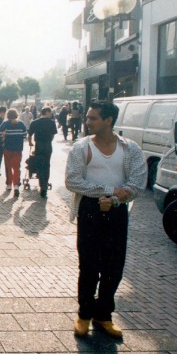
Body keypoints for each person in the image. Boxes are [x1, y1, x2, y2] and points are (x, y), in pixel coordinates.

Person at [65, 101, 146, 339]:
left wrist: (119, 196)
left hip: (117, 210)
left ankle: (103, 315)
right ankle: (84, 314)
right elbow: (73, 180)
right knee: (89, 265)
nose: (87, 121)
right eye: (88, 118)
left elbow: (138, 181)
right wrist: (109, 190)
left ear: (108, 120)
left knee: (114, 267)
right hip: (90, 208)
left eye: (93, 118)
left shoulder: (129, 148)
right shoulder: (81, 147)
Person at [27, 106, 58, 198]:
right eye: (50, 112)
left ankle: (42, 184)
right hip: (48, 145)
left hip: (39, 145)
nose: (51, 114)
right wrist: (49, 141)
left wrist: (30, 143)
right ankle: (45, 184)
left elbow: (29, 135)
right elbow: (52, 135)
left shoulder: (35, 122)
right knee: (47, 164)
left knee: (40, 164)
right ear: (47, 112)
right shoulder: (52, 123)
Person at [0, 108, 27, 197]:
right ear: (16, 115)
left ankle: (9, 184)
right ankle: (16, 185)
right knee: (16, 167)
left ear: (7, 115)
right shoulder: (21, 124)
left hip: (7, 148)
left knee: (8, 167)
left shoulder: (4, 124)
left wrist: (5, 135)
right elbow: (25, 135)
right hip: (18, 149)